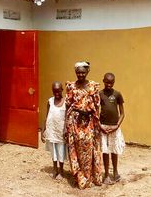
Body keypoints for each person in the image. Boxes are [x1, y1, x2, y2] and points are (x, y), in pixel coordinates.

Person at [64, 61, 103, 189]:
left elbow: (97, 106)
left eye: (83, 72)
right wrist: (66, 124)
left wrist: (94, 120)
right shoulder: (71, 86)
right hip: (74, 121)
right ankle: (80, 177)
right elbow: (68, 104)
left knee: (88, 148)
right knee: (75, 147)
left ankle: (89, 176)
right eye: (78, 72)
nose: (80, 74)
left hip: (89, 122)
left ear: (87, 72)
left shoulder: (93, 86)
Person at [99, 72, 125, 184]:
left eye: (111, 82)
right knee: (105, 151)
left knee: (114, 150)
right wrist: (100, 126)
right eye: (107, 82)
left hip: (114, 126)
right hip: (103, 127)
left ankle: (115, 171)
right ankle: (106, 174)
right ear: (103, 81)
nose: (109, 85)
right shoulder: (100, 94)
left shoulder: (117, 95)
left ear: (114, 82)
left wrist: (117, 126)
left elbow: (122, 113)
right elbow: (96, 112)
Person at [41, 81, 67, 179]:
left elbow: (67, 118)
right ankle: (55, 169)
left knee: (61, 151)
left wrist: (65, 129)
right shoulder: (50, 101)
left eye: (58, 91)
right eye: (54, 91)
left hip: (60, 132)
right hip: (51, 131)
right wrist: (43, 130)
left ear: (62, 90)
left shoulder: (66, 102)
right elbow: (47, 116)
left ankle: (61, 171)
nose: (56, 94)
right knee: (54, 152)